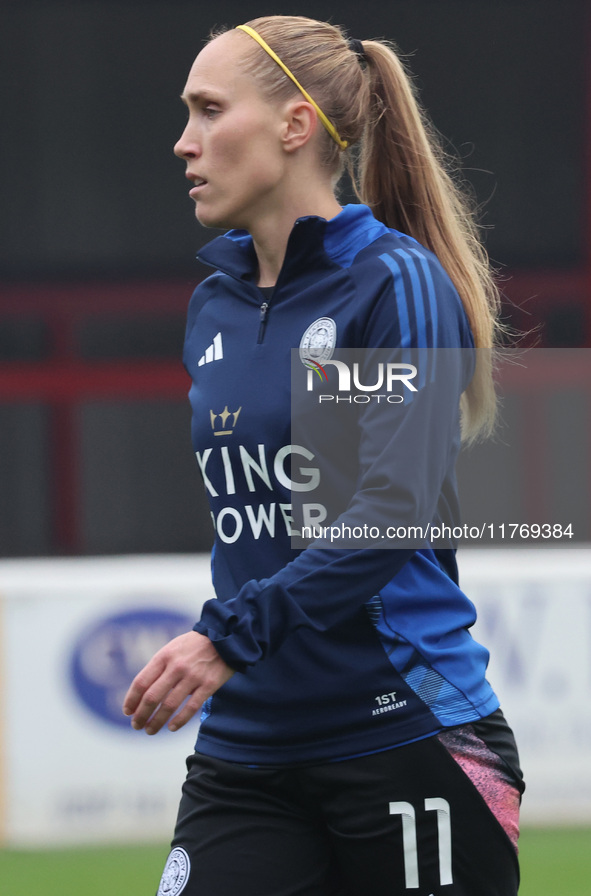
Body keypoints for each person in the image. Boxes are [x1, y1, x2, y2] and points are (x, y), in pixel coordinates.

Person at [123, 15, 524, 896]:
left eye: (207, 110)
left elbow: (386, 515)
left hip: (402, 734)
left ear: (294, 126)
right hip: (248, 747)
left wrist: (225, 637)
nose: (183, 142)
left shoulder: (391, 283)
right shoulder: (214, 307)